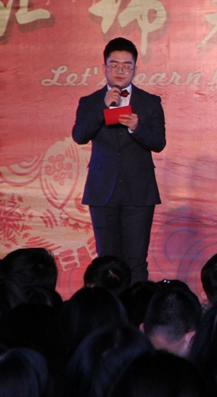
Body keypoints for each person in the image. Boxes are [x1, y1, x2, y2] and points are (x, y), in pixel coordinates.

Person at [72, 37, 166, 284]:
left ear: (135, 68)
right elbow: (79, 136)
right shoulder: (90, 102)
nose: (120, 71)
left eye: (127, 66)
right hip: (103, 191)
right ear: (104, 67)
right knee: (107, 263)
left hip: (139, 192)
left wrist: (137, 127)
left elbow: (159, 142)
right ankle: (109, 307)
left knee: (136, 262)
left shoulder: (150, 102)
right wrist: (102, 109)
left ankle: (136, 307)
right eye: (114, 65)